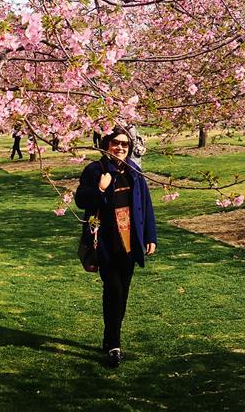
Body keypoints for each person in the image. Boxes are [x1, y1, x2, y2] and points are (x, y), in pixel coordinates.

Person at [74, 127, 158, 368]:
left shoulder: (134, 171)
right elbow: (81, 201)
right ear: (106, 144)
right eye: (115, 143)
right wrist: (99, 188)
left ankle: (110, 338)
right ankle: (114, 344)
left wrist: (150, 235)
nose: (120, 148)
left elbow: (146, 205)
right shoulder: (95, 170)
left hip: (130, 241)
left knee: (123, 292)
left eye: (124, 144)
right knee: (113, 290)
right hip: (106, 243)